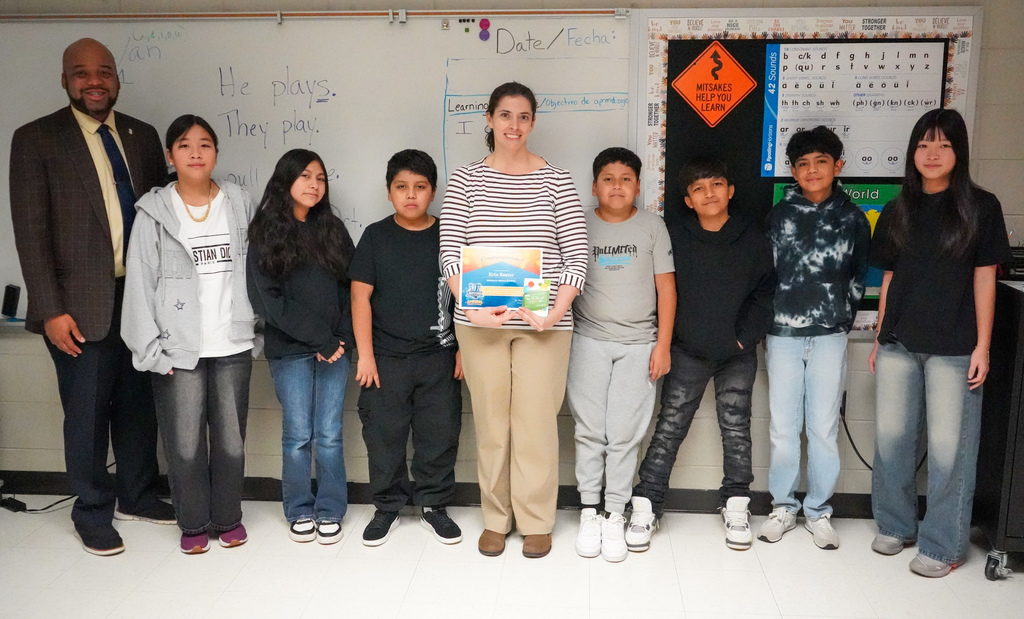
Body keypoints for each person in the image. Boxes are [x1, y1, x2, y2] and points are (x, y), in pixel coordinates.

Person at [9, 38, 173, 556]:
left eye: (103, 71)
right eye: (81, 73)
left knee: (137, 406)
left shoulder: (142, 136)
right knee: (85, 413)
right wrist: (50, 308)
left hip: (139, 299)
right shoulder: (36, 139)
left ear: (118, 79)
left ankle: (138, 493)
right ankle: (92, 509)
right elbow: (30, 232)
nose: (94, 81)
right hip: (76, 307)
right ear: (64, 80)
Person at [440, 81, 588, 559]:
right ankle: (495, 519)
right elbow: (449, 253)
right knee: (491, 422)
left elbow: (576, 257)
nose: (514, 125)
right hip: (480, 323)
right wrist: (471, 307)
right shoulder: (465, 179)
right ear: (489, 119)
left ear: (533, 122)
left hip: (544, 325)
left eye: (523, 116)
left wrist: (554, 312)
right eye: (505, 115)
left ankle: (537, 519)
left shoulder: (557, 180)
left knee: (536, 423)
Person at [868, 108, 1010, 577]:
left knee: (950, 452)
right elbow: (890, 276)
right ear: (913, 152)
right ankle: (895, 525)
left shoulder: (980, 207)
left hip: (955, 347)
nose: (933, 154)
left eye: (944, 145)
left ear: (959, 153)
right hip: (898, 344)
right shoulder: (897, 208)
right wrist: (879, 337)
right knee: (892, 441)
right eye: (925, 144)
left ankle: (944, 545)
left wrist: (982, 347)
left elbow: (985, 279)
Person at [122, 115, 259, 555]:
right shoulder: (154, 211)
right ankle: (194, 521)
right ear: (170, 156)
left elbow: (260, 268)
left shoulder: (239, 202)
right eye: (184, 145)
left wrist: (259, 331)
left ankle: (228, 517)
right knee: (183, 445)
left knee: (231, 442)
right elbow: (140, 285)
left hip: (232, 343)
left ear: (216, 153)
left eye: (204, 144)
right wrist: (150, 350)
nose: (195, 152)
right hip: (176, 349)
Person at [626, 157, 775, 552]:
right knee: (670, 426)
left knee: (737, 427)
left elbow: (765, 295)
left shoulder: (754, 238)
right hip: (687, 350)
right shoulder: (674, 236)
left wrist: (743, 340)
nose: (708, 193)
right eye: (698, 189)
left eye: (716, 185)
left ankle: (736, 503)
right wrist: (675, 340)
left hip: (737, 353)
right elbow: (661, 292)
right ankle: (646, 504)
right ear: (688, 200)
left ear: (730, 191)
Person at [758, 126, 871, 550]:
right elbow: (765, 274)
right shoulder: (778, 216)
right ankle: (783, 507)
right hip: (783, 334)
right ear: (792, 170)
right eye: (802, 163)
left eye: (821, 161)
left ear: (837, 166)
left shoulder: (853, 217)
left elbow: (860, 277)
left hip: (829, 335)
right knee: (784, 428)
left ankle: (819, 512)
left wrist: (840, 319)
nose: (812, 170)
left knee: (822, 429)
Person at [349, 149, 464, 547]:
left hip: (440, 355)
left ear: (433, 191)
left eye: (420, 187)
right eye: (402, 187)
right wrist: (365, 355)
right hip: (385, 359)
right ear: (389, 192)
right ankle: (387, 506)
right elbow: (360, 298)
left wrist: (465, 348)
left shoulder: (448, 234)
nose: (410, 195)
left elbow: (467, 294)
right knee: (384, 435)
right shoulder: (376, 236)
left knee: (440, 434)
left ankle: (434, 505)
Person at [567, 147, 675, 562]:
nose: (617, 186)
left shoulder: (653, 226)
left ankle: (615, 513)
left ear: (638, 185)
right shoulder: (578, 224)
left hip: (639, 345)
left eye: (626, 178)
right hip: (588, 340)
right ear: (594, 186)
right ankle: (590, 511)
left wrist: (661, 344)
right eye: (608, 178)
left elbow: (666, 288)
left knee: (625, 433)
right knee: (590, 430)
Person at [247, 149, 355, 545]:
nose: (314, 185)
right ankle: (299, 509)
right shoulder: (265, 233)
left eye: (321, 178)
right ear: (285, 180)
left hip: (336, 350)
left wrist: (340, 339)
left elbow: (352, 289)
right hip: (290, 350)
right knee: (298, 434)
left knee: (328, 433)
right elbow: (270, 302)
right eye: (306, 176)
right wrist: (322, 340)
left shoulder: (333, 229)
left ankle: (330, 509)